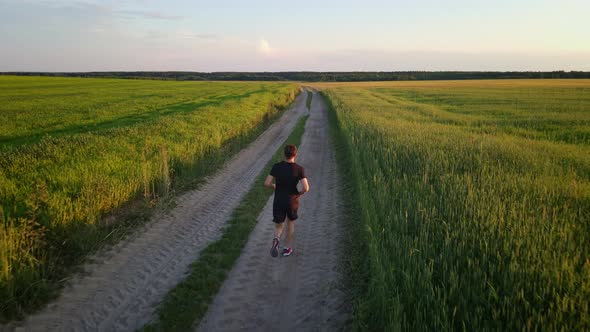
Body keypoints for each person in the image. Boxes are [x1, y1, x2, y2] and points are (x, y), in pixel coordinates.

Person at [264, 144, 309, 257]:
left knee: (279, 224)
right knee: (290, 222)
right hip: (292, 200)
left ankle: (276, 239)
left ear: (284, 154)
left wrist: (274, 186)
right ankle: (287, 248)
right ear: (295, 154)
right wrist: (300, 193)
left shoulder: (276, 167)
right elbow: (306, 187)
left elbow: (266, 183)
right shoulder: (299, 169)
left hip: (279, 199)